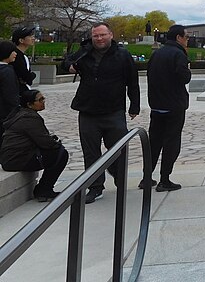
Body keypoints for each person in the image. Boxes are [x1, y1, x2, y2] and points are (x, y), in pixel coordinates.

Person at [64, 22, 140, 204]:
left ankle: (118, 177)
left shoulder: (122, 55)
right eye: (95, 36)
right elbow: (66, 61)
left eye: (102, 35)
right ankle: (95, 186)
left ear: (111, 35)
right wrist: (70, 67)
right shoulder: (84, 51)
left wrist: (134, 106)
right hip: (88, 110)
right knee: (90, 152)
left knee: (117, 150)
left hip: (113, 110)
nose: (99, 39)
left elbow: (132, 81)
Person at [142, 24, 192, 192]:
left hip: (157, 105)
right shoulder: (179, 54)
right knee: (171, 142)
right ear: (178, 37)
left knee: (154, 142)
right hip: (174, 106)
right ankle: (165, 179)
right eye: (186, 37)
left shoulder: (157, 53)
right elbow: (184, 78)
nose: (187, 40)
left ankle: (146, 177)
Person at [1, 89, 69, 202]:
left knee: (56, 151)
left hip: (11, 158)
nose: (43, 101)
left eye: (43, 98)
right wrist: (55, 143)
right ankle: (44, 189)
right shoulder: (29, 118)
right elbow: (45, 142)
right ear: (29, 104)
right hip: (17, 159)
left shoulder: (22, 114)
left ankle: (44, 188)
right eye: (40, 100)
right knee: (61, 154)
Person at [0, 41, 20, 148]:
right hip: (4, 114)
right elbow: (11, 96)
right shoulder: (7, 71)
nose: (15, 54)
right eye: (13, 51)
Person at [11, 26, 37, 91]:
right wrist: (32, 75)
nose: (33, 38)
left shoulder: (22, 55)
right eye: (30, 36)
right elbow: (26, 77)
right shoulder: (15, 56)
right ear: (21, 40)